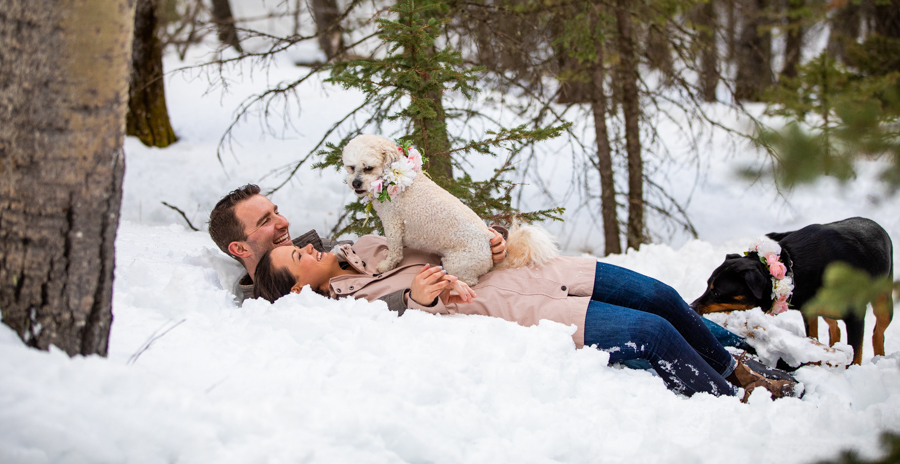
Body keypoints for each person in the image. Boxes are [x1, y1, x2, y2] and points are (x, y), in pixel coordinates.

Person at [251, 235, 800, 401]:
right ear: (300, 288)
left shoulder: (366, 243)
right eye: (294, 258)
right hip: (521, 306)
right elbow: (401, 330)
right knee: (650, 332)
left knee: (658, 295)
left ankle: (734, 366)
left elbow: (440, 226)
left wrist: (482, 234)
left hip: (538, 267)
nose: (303, 246)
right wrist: (417, 298)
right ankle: (738, 400)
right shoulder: (347, 310)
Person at [207, 184, 509, 302]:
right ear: (239, 248)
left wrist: (486, 240)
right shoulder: (271, 305)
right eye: (265, 222)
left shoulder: (332, 249)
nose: (283, 222)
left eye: (276, 211)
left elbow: (417, 242)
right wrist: (412, 301)